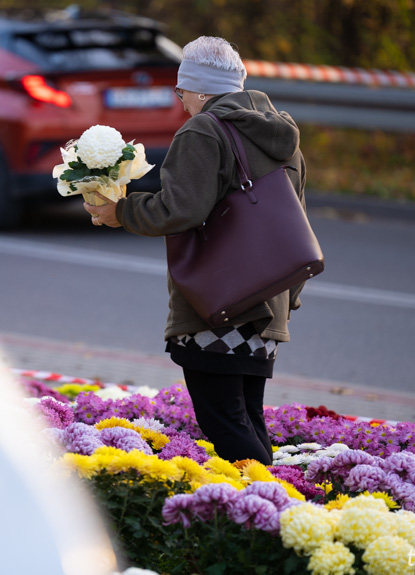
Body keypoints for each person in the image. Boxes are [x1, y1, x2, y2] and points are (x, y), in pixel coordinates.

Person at [84, 36, 307, 465]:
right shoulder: (280, 131)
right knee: (246, 419)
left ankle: (275, 513)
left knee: (223, 421)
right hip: (268, 300)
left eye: (182, 89)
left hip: (219, 300)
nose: (180, 98)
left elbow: (179, 209)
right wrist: (289, 299)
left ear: (203, 90)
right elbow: (294, 218)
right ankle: (272, 508)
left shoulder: (205, 129)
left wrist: (121, 212)